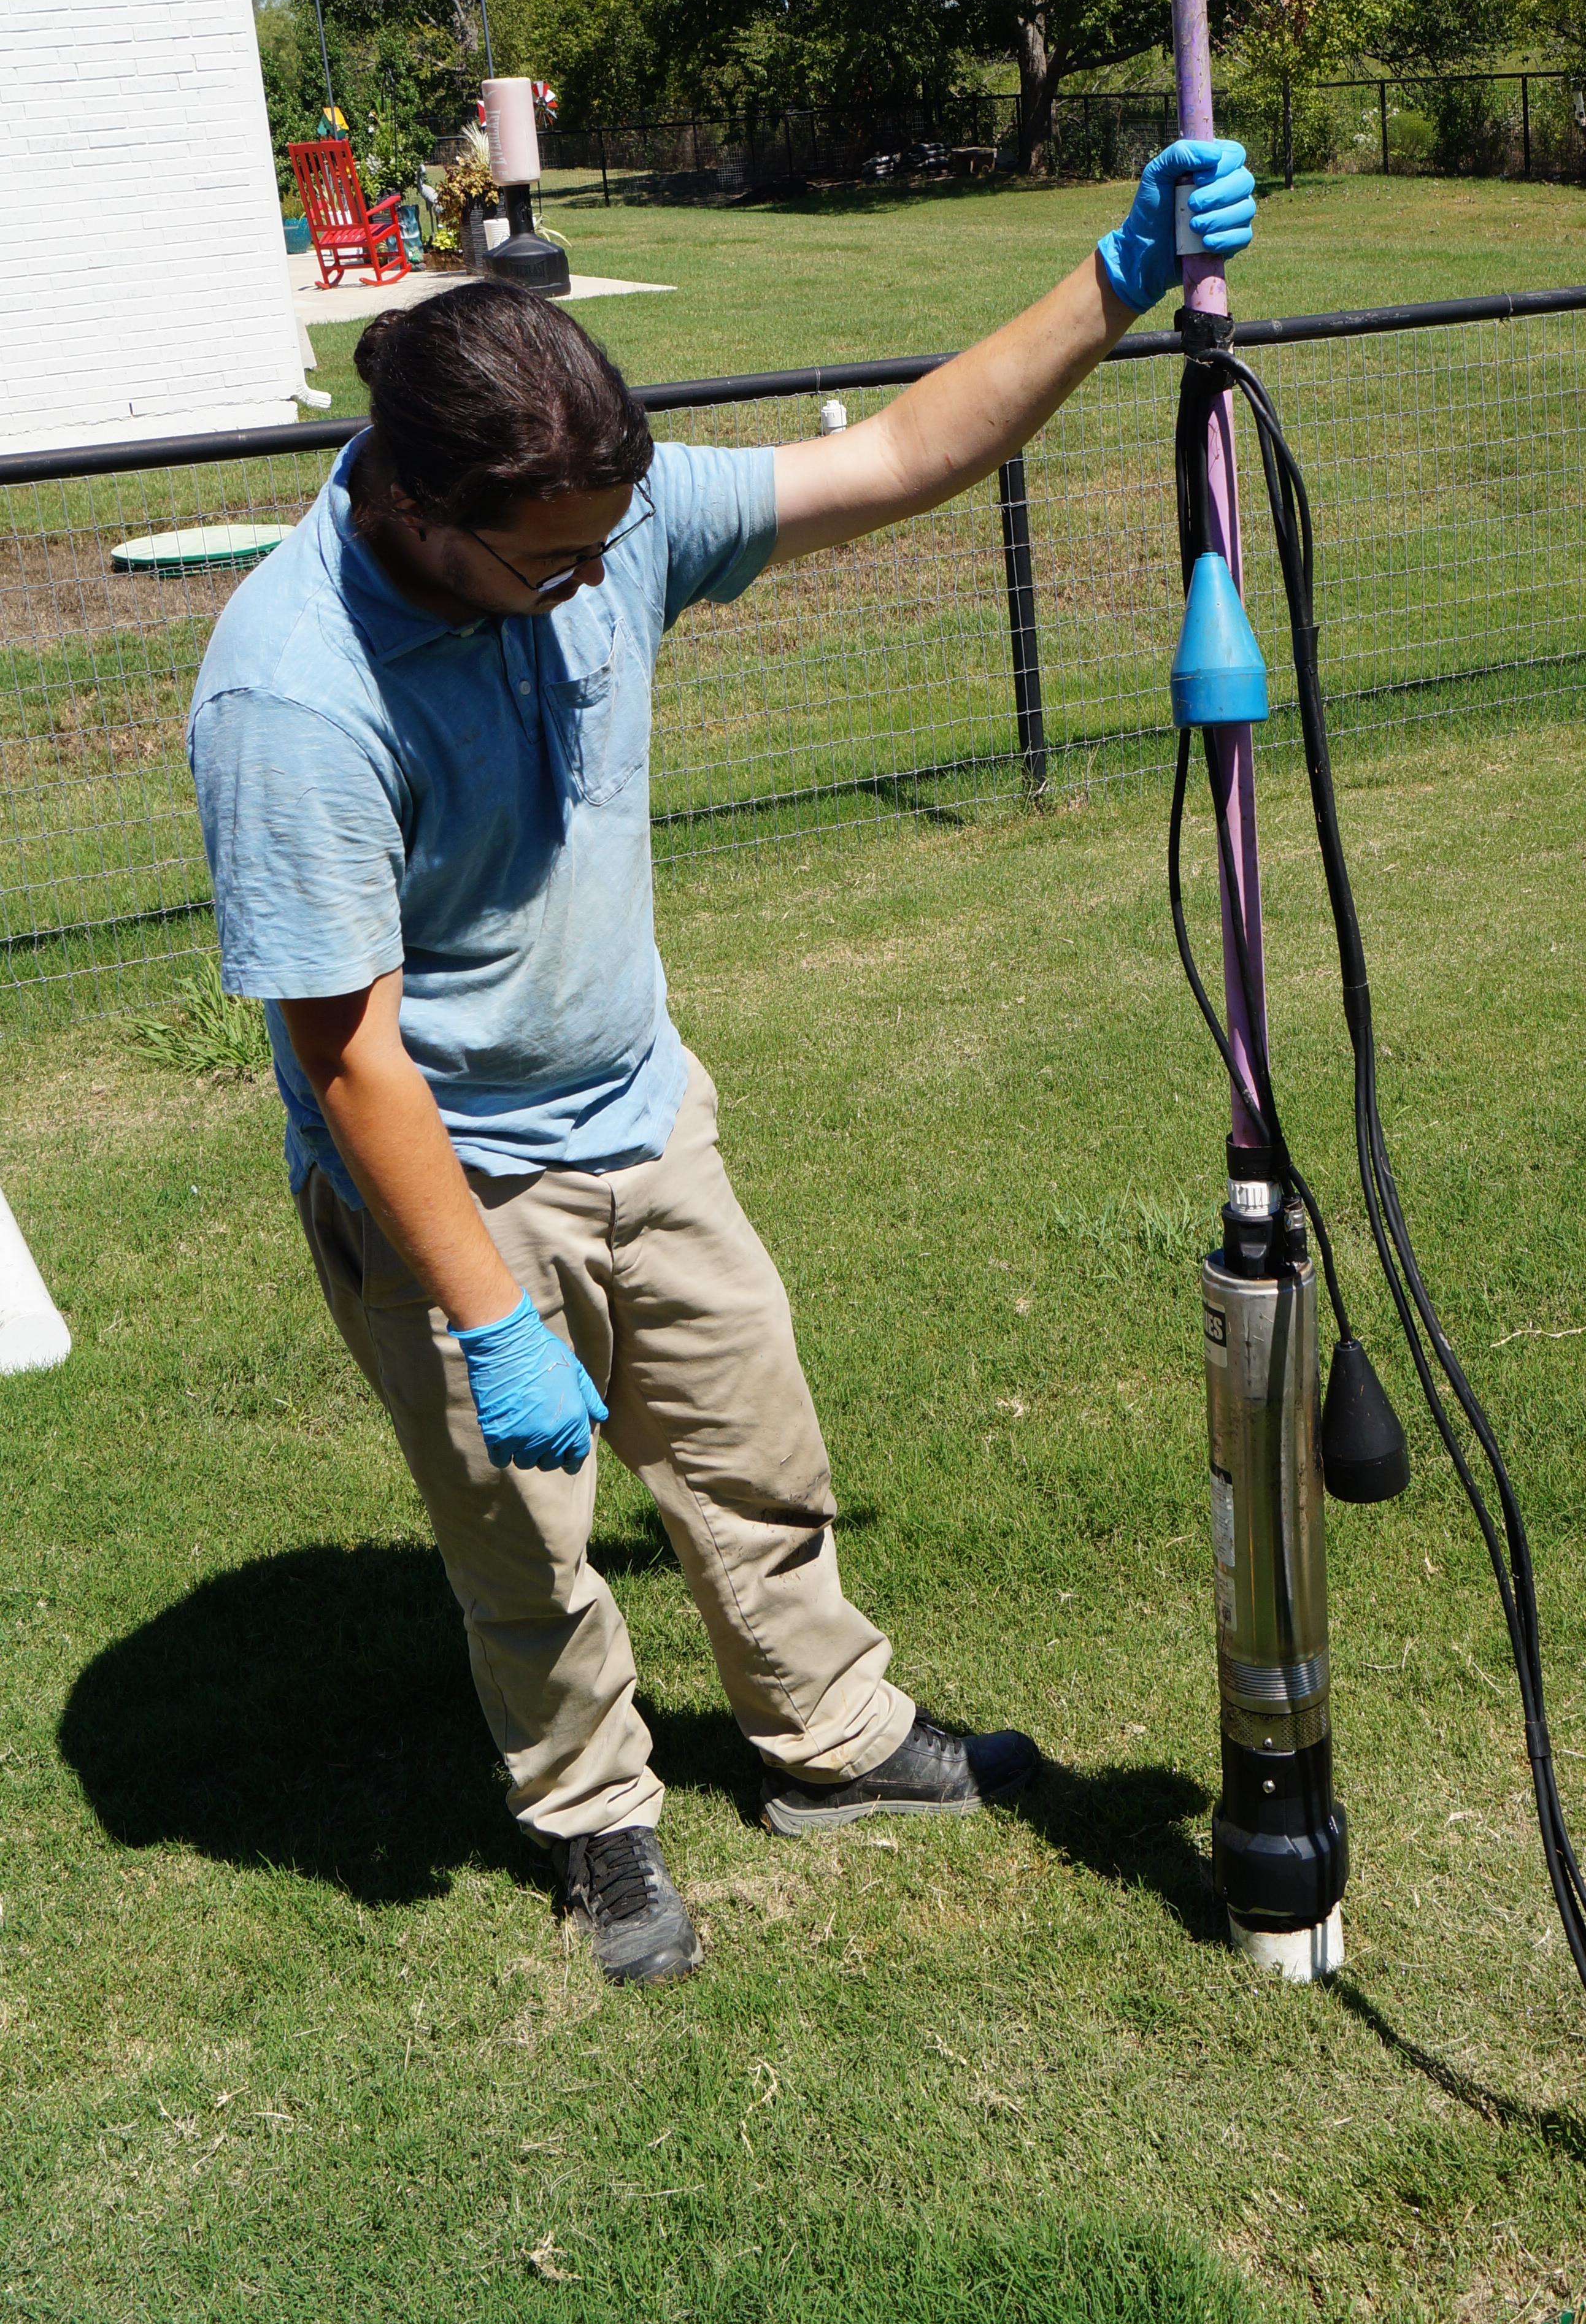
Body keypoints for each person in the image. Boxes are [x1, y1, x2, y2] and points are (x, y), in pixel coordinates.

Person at [187, 140, 1253, 1984]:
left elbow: (903, 456)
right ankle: (597, 1815)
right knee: (526, 1539)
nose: (610, 581)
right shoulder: (294, 693)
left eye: (618, 540)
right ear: (417, 510)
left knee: (752, 1448)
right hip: (445, 1166)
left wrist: (1116, 277)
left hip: (642, 1107)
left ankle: (833, 1746)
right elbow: (351, 1057)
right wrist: (493, 1321)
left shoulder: (585, 521)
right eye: (558, 561)